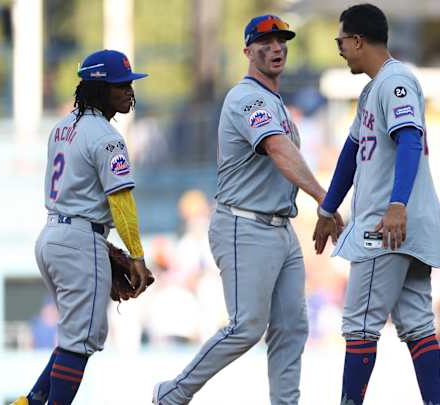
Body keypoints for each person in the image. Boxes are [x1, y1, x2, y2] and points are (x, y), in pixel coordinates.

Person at [152, 15, 342, 405]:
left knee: (291, 327)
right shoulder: (248, 97)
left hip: (277, 227)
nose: (276, 48)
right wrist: (326, 198)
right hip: (244, 223)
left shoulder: (272, 100)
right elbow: (277, 149)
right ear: (247, 51)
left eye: (281, 41)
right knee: (246, 326)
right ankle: (172, 393)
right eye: (265, 42)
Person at [312, 4, 440, 405]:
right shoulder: (374, 88)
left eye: (340, 41)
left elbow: (407, 138)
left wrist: (396, 205)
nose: (339, 49)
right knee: (418, 325)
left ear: (357, 40)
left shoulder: (396, 80)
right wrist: (326, 208)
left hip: (387, 224)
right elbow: (351, 152)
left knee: (359, 324)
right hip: (403, 223)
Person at [11, 49, 152, 405]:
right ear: (98, 89)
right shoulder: (107, 136)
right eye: (119, 85)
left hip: (53, 238)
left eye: (128, 84)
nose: (127, 91)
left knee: (73, 336)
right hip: (78, 240)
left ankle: (30, 401)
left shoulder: (61, 128)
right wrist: (136, 254)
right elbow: (121, 202)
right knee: (81, 340)